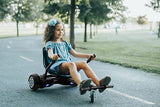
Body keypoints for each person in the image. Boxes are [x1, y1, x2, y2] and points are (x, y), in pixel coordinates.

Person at [43, 19, 111, 95]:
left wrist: (88, 56)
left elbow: (76, 54)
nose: (61, 32)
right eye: (58, 30)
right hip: (57, 66)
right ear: (51, 31)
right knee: (71, 64)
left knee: (83, 63)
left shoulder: (65, 44)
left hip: (68, 65)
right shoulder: (50, 43)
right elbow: (50, 53)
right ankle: (81, 85)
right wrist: (53, 56)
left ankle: (99, 83)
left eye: (62, 30)